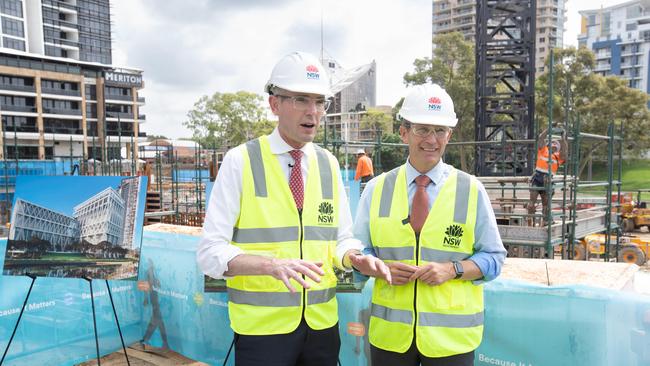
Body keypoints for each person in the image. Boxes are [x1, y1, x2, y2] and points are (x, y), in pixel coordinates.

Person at [197, 51, 390, 366]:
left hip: (321, 327)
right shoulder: (240, 161)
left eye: (320, 102)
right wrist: (270, 266)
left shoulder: (328, 163)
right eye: (301, 100)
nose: (313, 112)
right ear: (275, 104)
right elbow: (209, 253)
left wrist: (354, 257)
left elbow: (342, 237)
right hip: (262, 331)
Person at [352, 84, 507, 366]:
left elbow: (494, 259)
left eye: (440, 130)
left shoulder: (471, 189)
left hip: (451, 342)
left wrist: (452, 270)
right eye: (423, 129)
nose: (432, 140)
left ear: (449, 135)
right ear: (404, 132)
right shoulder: (376, 189)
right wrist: (378, 267)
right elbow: (357, 252)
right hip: (391, 339)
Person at [527, 126, 568, 226]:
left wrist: (563, 138)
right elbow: (541, 138)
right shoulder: (543, 150)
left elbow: (565, 152)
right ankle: (530, 221)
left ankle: (545, 221)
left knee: (546, 204)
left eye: (556, 144)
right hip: (537, 178)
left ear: (558, 148)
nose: (554, 145)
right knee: (532, 202)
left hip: (548, 180)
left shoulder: (558, 157)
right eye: (552, 143)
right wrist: (549, 129)